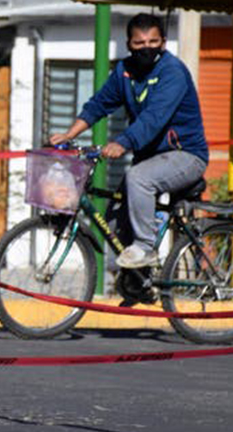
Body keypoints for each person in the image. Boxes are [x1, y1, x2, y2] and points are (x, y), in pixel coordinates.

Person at [50, 13, 208, 268]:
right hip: (150, 158)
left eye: (153, 42)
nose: (147, 48)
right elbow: (99, 104)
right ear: (129, 45)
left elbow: (153, 118)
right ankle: (137, 282)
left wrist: (123, 143)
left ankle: (146, 248)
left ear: (163, 42)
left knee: (138, 179)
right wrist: (70, 135)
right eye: (139, 43)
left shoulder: (173, 72)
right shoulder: (124, 71)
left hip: (186, 155)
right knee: (114, 222)